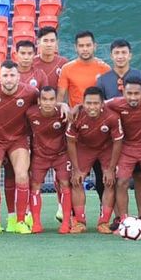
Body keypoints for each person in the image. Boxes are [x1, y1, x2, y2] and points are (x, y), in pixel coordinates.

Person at [0, 61, 44, 235]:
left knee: (22, 176)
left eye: (12, 75)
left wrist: (64, 105)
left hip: (18, 140)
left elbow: (47, 103)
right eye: (5, 75)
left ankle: (20, 221)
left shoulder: (31, 92)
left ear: (19, 77)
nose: (9, 79)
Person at [97, 38, 141, 225]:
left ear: (130, 55)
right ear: (111, 56)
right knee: (118, 179)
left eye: (124, 53)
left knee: (139, 177)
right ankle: (120, 217)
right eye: (117, 53)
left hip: (139, 138)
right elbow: (98, 107)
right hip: (113, 141)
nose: (120, 56)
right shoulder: (102, 80)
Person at [57, 31, 111, 205]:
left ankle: (106, 216)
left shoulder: (104, 68)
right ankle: (77, 218)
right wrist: (66, 106)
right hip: (78, 130)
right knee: (76, 176)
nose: (85, 49)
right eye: (81, 45)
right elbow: (60, 98)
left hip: (102, 131)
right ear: (76, 47)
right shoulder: (67, 69)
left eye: (88, 45)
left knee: (104, 176)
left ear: (95, 46)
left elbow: (110, 100)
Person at [106, 76, 141, 234]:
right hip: (126, 147)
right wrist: (73, 108)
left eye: (137, 93)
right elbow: (95, 106)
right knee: (122, 182)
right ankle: (124, 220)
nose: (133, 97)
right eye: (129, 93)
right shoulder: (115, 103)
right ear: (123, 92)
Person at [66, 86, 123, 234]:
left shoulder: (112, 117)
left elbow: (117, 142)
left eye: (96, 103)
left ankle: (104, 222)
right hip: (84, 148)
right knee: (76, 180)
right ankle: (80, 221)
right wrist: (76, 169)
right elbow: (70, 142)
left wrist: (110, 169)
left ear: (102, 104)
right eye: (88, 103)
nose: (92, 107)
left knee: (109, 182)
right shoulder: (76, 116)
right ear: (83, 103)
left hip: (106, 149)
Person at [27, 86, 72, 234]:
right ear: (39, 101)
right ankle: (36, 223)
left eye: (52, 99)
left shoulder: (63, 114)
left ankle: (66, 223)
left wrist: (64, 106)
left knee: (65, 184)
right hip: (40, 157)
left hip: (61, 155)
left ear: (56, 100)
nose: (48, 103)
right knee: (35, 186)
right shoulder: (31, 113)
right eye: (44, 99)